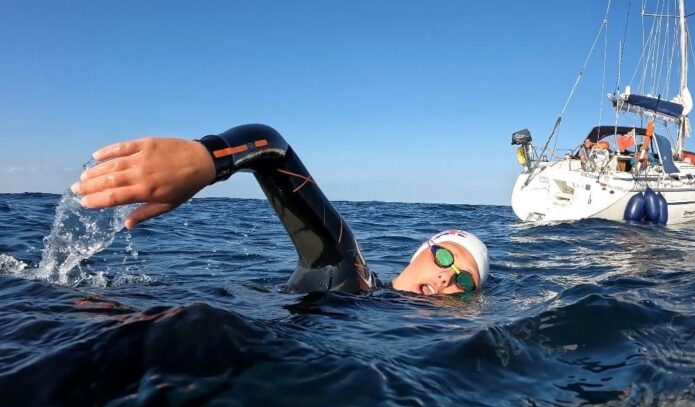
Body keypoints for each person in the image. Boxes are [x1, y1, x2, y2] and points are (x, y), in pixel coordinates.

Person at [70, 124, 489, 296]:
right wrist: (206, 159)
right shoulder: (352, 271)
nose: (445, 276)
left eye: (465, 281)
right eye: (446, 257)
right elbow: (274, 148)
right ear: (422, 251)